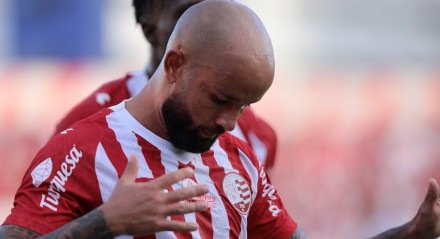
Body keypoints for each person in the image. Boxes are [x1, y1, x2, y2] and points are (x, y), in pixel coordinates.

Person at [0, 1, 439, 239]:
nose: (231, 122)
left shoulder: (242, 161)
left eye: (244, 106)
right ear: (173, 65)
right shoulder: (81, 147)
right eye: (220, 100)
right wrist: (108, 222)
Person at [53, 0, 278, 171]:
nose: (205, 24)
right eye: (187, 13)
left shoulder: (257, 139)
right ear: (150, 28)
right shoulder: (82, 125)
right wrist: (107, 222)